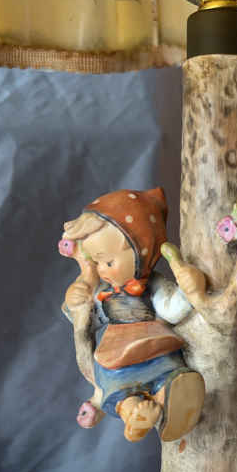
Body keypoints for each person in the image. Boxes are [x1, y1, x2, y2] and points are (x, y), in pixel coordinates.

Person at [59, 188, 205, 443]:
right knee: (120, 391)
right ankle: (133, 415)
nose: (102, 271)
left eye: (108, 262)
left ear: (141, 253)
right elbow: (85, 321)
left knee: (170, 375)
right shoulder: (105, 293)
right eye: (97, 263)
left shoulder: (153, 286)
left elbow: (172, 310)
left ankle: (169, 400)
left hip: (157, 350)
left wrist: (190, 288)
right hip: (117, 358)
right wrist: (76, 301)